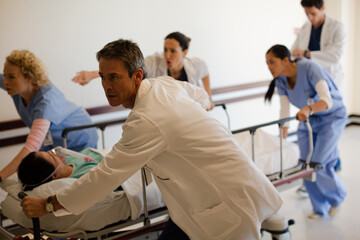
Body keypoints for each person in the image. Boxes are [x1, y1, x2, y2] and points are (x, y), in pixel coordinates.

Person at [21, 39, 282, 240]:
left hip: (224, 201)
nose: (106, 85)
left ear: (136, 76)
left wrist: (49, 205)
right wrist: (188, 134)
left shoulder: (145, 120)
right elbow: (201, 97)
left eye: (114, 77)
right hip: (200, 199)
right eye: (102, 77)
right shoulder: (164, 85)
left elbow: (104, 177)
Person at [264, 44, 347, 219]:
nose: (269, 67)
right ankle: (319, 208)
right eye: (267, 63)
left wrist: (309, 109)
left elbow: (327, 100)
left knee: (318, 163)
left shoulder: (309, 67)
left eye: (272, 62)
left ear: (285, 60)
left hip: (331, 118)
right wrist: (282, 142)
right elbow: (284, 111)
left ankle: (337, 198)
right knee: (305, 165)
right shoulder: (281, 80)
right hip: (309, 121)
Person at [0, 50, 98, 181]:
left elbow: (31, 146)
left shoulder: (46, 102)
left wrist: (1, 176)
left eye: (11, 77)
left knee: (76, 181)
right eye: (5, 75)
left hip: (78, 137)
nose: (5, 81)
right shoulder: (18, 86)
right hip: (55, 144)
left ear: (29, 77)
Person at [72, 31, 215, 109]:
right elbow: (124, 67)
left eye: (173, 51)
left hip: (188, 112)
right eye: (165, 50)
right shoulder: (155, 62)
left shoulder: (196, 64)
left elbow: (205, 73)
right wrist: (92, 75)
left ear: (184, 53)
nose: (167, 55)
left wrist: (209, 97)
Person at [291, 0, 346, 95]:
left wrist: (305, 53)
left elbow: (335, 56)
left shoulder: (337, 27)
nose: (309, 17)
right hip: (310, 80)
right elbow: (294, 50)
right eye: (306, 13)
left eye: (313, 13)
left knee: (329, 106)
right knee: (312, 107)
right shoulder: (305, 27)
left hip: (330, 78)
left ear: (322, 8)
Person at [18, 148, 103, 191]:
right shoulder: (82, 177)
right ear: (55, 175)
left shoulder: (69, 159)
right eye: (52, 157)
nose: (54, 153)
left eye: (48, 152)